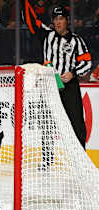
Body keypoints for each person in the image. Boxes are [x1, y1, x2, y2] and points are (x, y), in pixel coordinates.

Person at [23, 2, 92, 151]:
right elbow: (29, 19)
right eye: (55, 19)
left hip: (69, 87)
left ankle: (81, 158)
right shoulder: (47, 35)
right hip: (49, 86)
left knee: (77, 124)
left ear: (67, 20)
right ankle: (47, 160)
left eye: (61, 18)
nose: (58, 22)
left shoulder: (76, 40)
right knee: (47, 124)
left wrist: (72, 73)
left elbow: (87, 62)